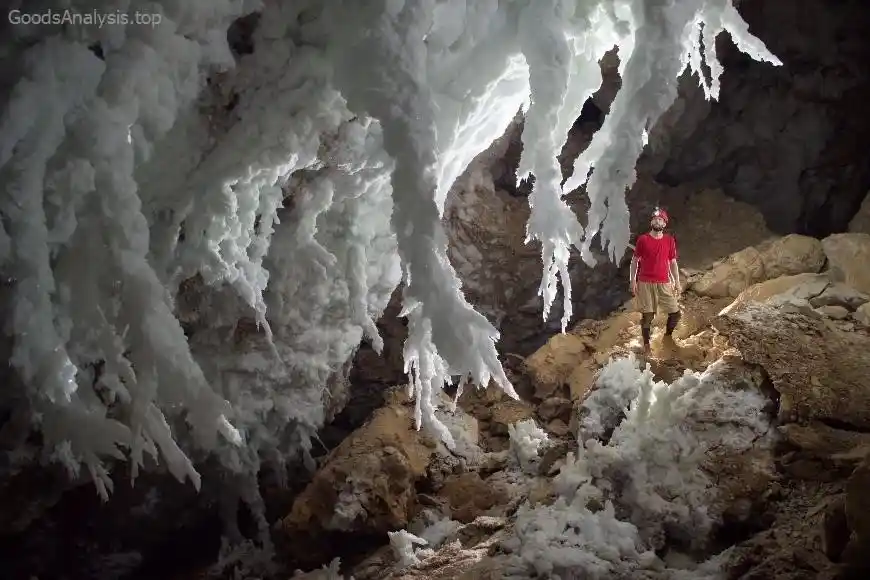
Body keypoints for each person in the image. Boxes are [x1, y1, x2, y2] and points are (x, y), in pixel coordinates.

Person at [629, 208, 681, 356]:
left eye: (661, 219)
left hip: (664, 282)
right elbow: (635, 261)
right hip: (645, 282)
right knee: (648, 316)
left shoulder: (669, 241)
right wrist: (632, 280)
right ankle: (646, 346)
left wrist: (677, 281)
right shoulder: (643, 239)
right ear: (651, 222)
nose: (657, 221)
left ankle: (667, 337)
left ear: (665, 224)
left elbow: (672, 262)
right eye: (655, 219)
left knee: (675, 314)